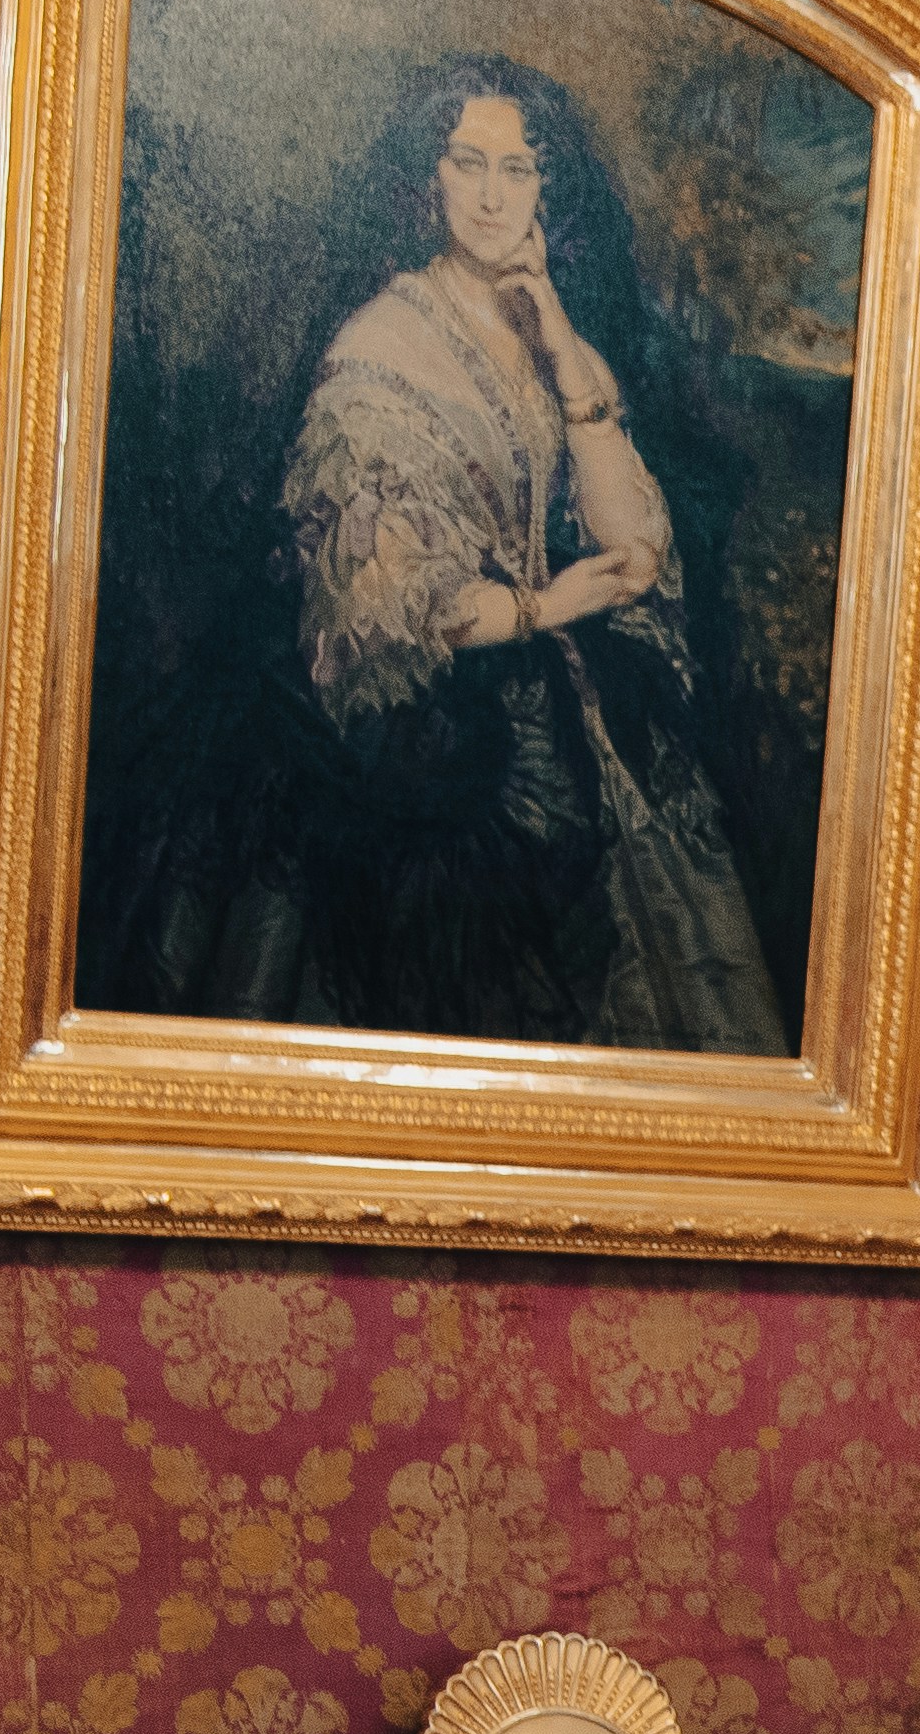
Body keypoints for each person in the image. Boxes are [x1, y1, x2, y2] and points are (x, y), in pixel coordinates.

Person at [91, 56, 791, 1053]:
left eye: (518, 169)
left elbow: (634, 541)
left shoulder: (538, 319)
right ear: (429, 179)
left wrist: (554, 337)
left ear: (549, 188)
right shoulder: (379, 345)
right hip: (428, 728)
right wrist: (546, 609)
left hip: (563, 695)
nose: (495, 195)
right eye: (470, 164)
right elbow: (382, 603)